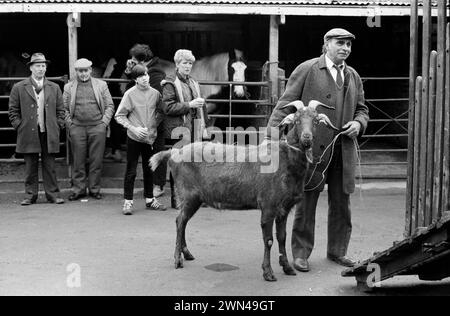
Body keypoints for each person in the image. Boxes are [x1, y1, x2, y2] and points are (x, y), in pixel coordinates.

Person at [266, 28, 369, 271]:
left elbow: (363, 109)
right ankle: (301, 254)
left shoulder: (353, 75)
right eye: (340, 43)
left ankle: (338, 251)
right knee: (306, 202)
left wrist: (358, 123)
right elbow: (284, 105)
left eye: (348, 45)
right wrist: (270, 139)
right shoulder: (307, 69)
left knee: (342, 203)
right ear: (326, 44)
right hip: (310, 150)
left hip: (342, 150)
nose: (345, 48)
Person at [8, 53, 65, 206]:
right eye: (38, 66)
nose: (41, 69)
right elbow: (13, 111)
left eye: (43, 66)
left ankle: (53, 195)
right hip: (28, 131)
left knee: (50, 165)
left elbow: (61, 110)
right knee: (30, 166)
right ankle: (30, 195)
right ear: (31, 68)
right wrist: (19, 126)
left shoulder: (54, 87)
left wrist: (58, 124)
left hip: (48, 131)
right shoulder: (19, 87)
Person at [115, 64, 167, 215]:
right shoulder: (130, 94)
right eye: (140, 76)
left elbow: (162, 111)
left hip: (150, 138)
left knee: (149, 169)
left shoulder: (156, 93)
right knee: (131, 170)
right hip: (134, 138)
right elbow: (119, 115)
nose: (144, 78)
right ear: (135, 80)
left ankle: (150, 200)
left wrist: (153, 126)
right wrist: (134, 129)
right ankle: (128, 202)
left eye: (146, 75)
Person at [63, 58, 115, 201]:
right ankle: (78, 190)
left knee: (96, 160)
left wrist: (103, 123)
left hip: (97, 127)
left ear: (91, 70)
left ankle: (94, 189)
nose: (83, 74)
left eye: (86, 70)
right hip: (77, 127)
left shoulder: (101, 85)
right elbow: (64, 108)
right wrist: (70, 125)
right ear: (76, 72)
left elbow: (110, 105)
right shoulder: (69, 87)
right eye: (80, 71)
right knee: (78, 161)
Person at [122, 43, 167, 198]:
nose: (132, 62)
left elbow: (138, 92)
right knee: (150, 156)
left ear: (142, 61)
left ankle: (158, 185)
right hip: (141, 124)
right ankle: (152, 188)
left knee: (157, 153)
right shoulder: (147, 71)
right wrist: (129, 72)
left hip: (153, 123)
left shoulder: (155, 74)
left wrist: (153, 125)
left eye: (134, 60)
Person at [160, 48, 207, 149]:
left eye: (190, 63)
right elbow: (167, 107)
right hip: (180, 131)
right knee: (180, 160)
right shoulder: (170, 82)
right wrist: (189, 105)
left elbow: (202, 108)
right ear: (177, 64)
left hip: (196, 129)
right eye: (184, 63)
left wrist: (204, 126)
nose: (188, 66)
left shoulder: (194, 82)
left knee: (195, 159)